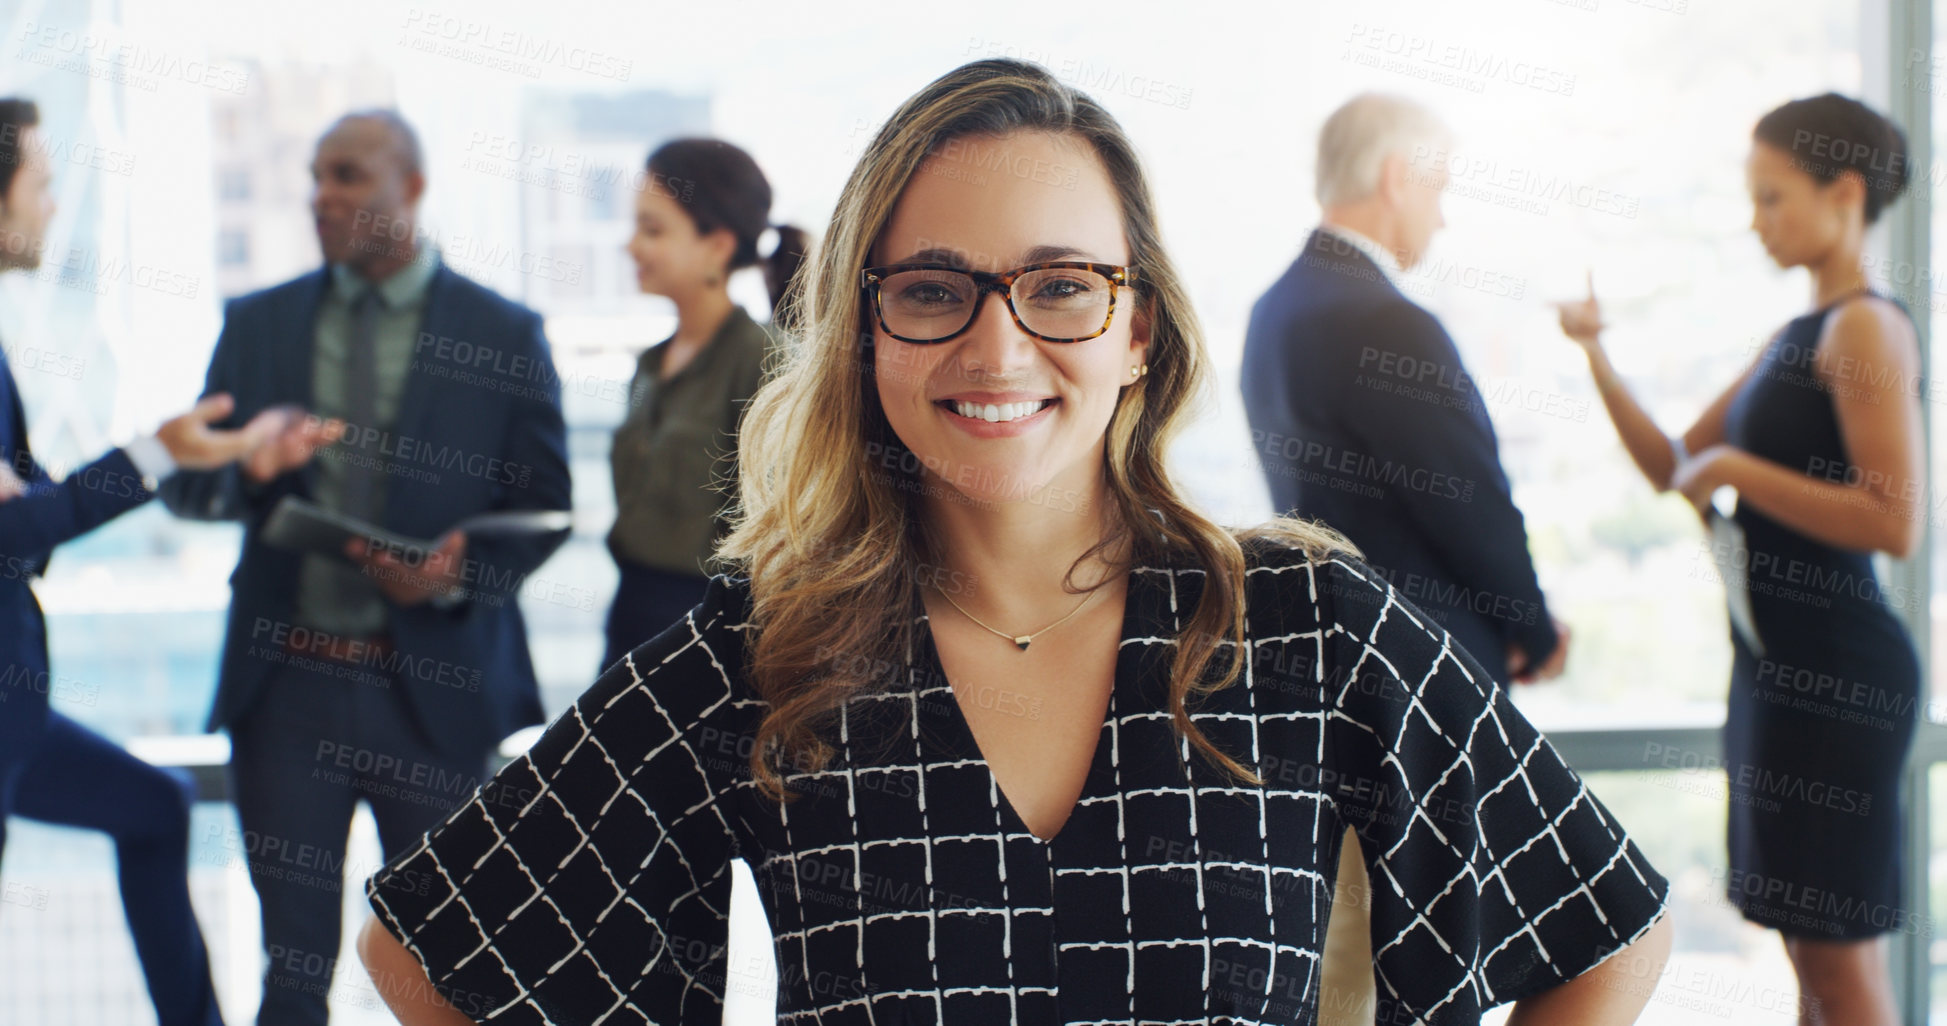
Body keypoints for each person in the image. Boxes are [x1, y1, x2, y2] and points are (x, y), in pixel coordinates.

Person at [358, 60, 1671, 1024]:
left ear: (1136, 328)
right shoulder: (770, 656)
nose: (996, 348)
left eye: (1058, 286)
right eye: (930, 290)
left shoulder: (1300, 620)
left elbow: (1602, 930)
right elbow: (425, 952)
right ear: (865, 329)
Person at [160, 109, 572, 1024]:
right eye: (316, 176)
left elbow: (546, 507)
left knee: (445, 971)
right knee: (293, 967)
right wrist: (245, 470)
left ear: (412, 189)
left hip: (432, 696)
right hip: (288, 689)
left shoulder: (502, 334)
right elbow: (192, 489)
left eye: (347, 174)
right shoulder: (259, 324)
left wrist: (460, 571)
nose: (323, 195)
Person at [1558, 93, 1922, 1025]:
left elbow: (1894, 519)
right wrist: (1597, 355)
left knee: (1840, 971)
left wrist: (1736, 471)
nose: (1756, 221)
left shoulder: (1863, 329)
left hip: (1839, 676)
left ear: (1842, 192)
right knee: (1809, 962)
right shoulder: (1791, 339)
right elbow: (1674, 467)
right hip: (1777, 667)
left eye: (1771, 198)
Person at [0, 96, 282, 1026]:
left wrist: (162, 453)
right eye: (39, 184)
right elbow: (19, 528)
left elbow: (33, 506)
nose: (49, 206)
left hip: (17, 710)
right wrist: (155, 457)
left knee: (155, 808)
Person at [1241, 93, 1568, 689]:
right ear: (1397, 177)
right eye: (1438, 189)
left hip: (1329, 657)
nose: (1441, 218)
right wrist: (1535, 631)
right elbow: (1470, 504)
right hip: (1425, 674)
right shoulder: (1388, 323)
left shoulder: (1273, 311)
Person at [602, 138, 806, 669]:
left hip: (704, 631)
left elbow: (778, 537)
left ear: (717, 244)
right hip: (630, 613)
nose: (633, 247)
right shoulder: (651, 362)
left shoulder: (762, 358)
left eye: (653, 230)